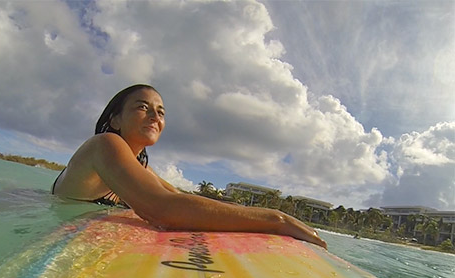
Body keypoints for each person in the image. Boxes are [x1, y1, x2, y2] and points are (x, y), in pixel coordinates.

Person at [52, 84, 327, 249]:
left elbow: (183, 200)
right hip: (49, 236)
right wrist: (275, 220)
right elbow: (162, 209)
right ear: (115, 120)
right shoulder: (105, 144)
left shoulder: (139, 170)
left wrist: (256, 216)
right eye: (142, 107)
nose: (154, 116)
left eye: (160, 112)